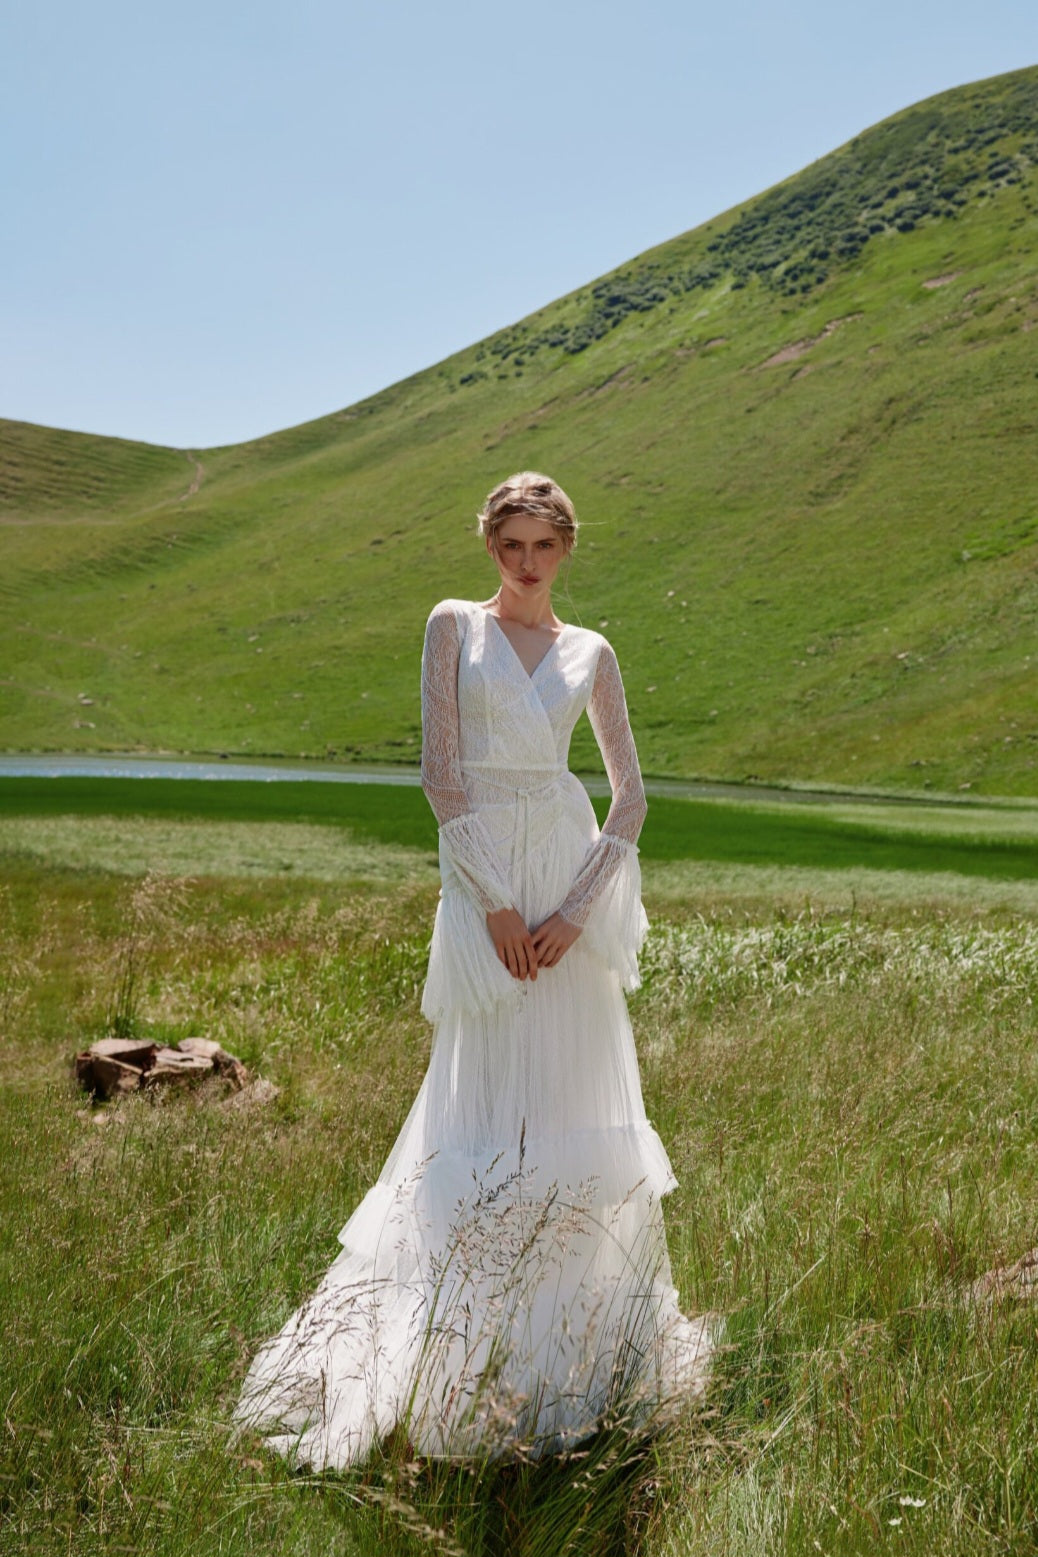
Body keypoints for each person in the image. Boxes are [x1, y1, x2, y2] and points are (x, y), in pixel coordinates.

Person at [234, 472, 713, 1467]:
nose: (527, 565)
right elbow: (441, 777)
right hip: (485, 882)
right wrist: (496, 903)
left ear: (567, 549)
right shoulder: (454, 626)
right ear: (489, 547)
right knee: (482, 1112)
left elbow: (630, 800)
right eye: (511, 547)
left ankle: (579, 1359)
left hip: (564, 887)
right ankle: (453, 1363)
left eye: (544, 547)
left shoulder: (594, 651)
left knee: (574, 1116)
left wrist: (576, 914)